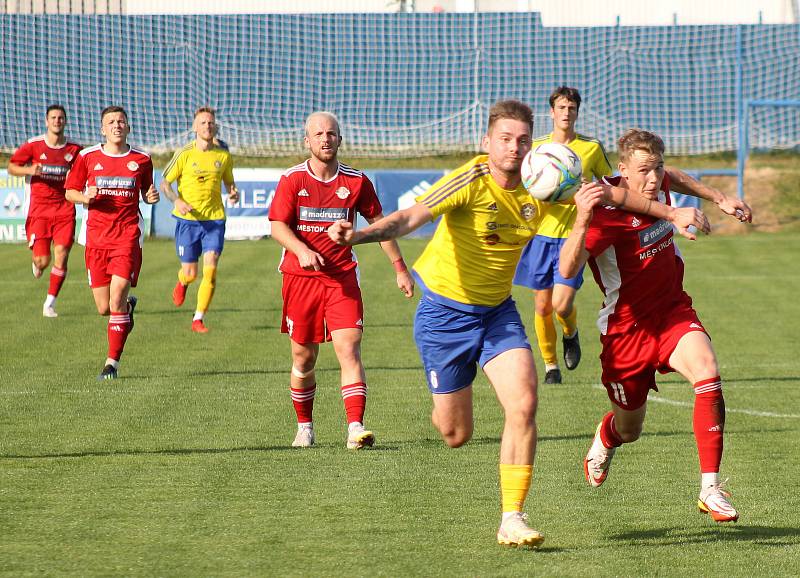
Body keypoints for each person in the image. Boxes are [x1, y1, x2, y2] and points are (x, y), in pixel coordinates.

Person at [328, 100, 711, 547]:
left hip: (496, 314)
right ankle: (446, 397)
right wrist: (357, 234)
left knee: (524, 404)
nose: (514, 148)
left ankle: (512, 516)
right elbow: (411, 217)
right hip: (443, 315)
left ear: (534, 143)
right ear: (487, 142)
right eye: (505, 139)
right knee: (455, 434)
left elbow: (614, 193)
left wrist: (672, 212)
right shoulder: (470, 178)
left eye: (523, 140)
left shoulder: (546, 180)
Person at [558, 128, 752, 523]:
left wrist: (720, 198)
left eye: (656, 167)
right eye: (643, 170)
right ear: (623, 170)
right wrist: (579, 222)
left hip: (672, 310)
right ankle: (606, 437)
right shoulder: (603, 217)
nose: (653, 178)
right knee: (630, 429)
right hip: (626, 331)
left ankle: (710, 488)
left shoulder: (659, 179)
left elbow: (675, 176)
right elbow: (566, 269)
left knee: (708, 375)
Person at [268, 111, 414, 451]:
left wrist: (399, 267)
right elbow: (277, 226)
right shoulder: (292, 180)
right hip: (300, 279)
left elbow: (380, 225)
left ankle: (355, 427)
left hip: (342, 278)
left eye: (331, 134)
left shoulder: (357, 181)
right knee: (303, 358)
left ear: (339, 139)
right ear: (307, 141)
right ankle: (305, 426)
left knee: (349, 348)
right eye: (318, 134)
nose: (325, 139)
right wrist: (301, 250)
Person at [514, 87, 613, 384]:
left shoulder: (591, 148)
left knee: (562, 304)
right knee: (542, 306)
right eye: (561, 107)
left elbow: (609, 185)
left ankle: (570, 332)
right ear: (551, 112)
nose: (566, 112)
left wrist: (585, 191)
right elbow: (524, 186)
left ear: (577, 112)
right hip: (541, 237)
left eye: (571, 108)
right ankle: (550, 367)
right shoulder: (538, 148)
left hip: (574, 239)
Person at [65, 106, 159, 380]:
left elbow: (146, 192)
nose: (117, 125)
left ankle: (111, 365)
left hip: (127, 237)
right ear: (102, 129)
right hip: (96, 238)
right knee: (104, 308)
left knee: (116, 297)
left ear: (128, 127)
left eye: (121, 121)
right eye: (111, 122)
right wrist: (86, 197)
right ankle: (126, 311)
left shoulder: (141, 159)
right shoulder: (87, 157)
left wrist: (151, 197)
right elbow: (70, 192)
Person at [160, 107, 239, 333]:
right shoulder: (185, 153)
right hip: (188, 221)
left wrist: (233, 193)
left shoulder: (223, 155)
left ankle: (198, 318)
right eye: (203, 123)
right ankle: (183, 281)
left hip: (214, 220)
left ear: (216, 127)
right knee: (191, 273)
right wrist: (176, 200)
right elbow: (165, 183)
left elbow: (229, 183)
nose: (208, 126)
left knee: (211, 268)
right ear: (195, 127)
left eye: (211, 123)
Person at [8, 105, 82, 317]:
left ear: (65, 121)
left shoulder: (74, 150)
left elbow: (83, 171)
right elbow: (13, 166)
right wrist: (29, 170)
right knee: (43, 260)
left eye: (60, 118)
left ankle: (50, 303)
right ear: (46, 121)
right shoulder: (33, 145)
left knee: (62, 253)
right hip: (39, 210)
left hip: (64, 209)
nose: (57, 121)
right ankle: (37, 263)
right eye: (53, 118)